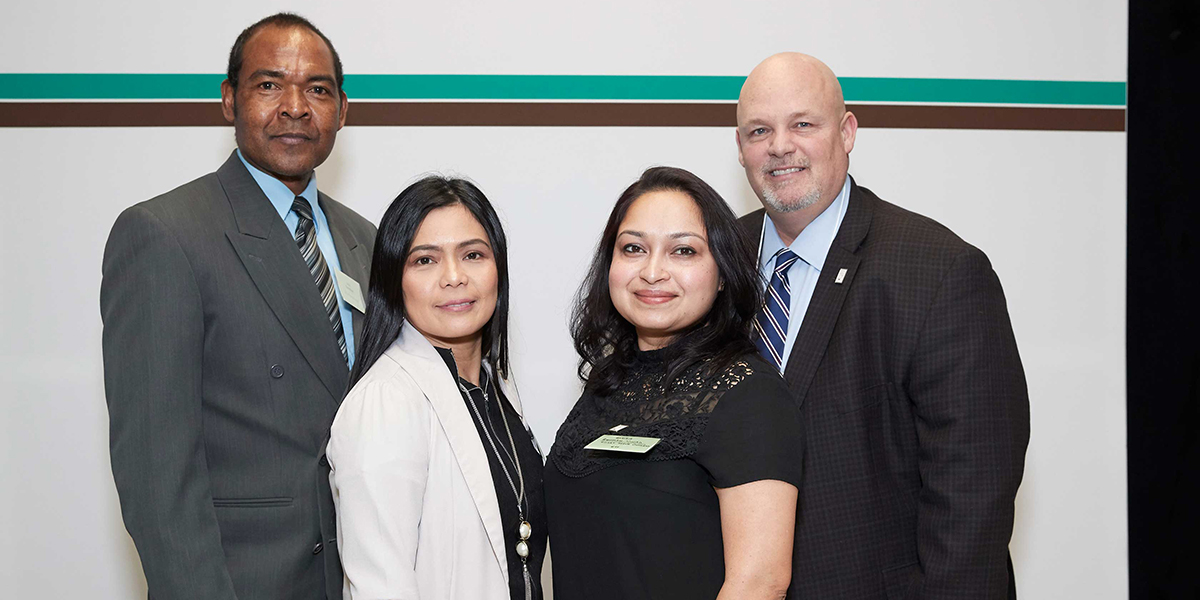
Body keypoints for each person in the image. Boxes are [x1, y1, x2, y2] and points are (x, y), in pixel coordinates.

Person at [734, 52, 1031, 599]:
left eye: (803, 124)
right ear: (740, 147)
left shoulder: (939, 272)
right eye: (759, 130)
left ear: (847, 132)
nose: (780, 146)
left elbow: (972, 502)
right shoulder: (713, 262)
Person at [100, 13, 374, 600]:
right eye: (269, 84)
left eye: (318, 89)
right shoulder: (165, 235)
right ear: (229, 100)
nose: (296, 107)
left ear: (343, 111)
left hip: (362, 575)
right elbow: (156, 474)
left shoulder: (368, 243)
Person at [544, 166, 801, 600]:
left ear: (723, 274)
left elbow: (760, 582)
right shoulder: (607, 384)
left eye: (682, 251)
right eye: (633, 249)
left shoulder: (749, 393)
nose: (652, 271)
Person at [327, 177, 547, 600]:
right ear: (395, 280)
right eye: (425, 260)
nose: (454, 277)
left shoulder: (493, 387)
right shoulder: (386, 402)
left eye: (473, 255)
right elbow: (380, 587)